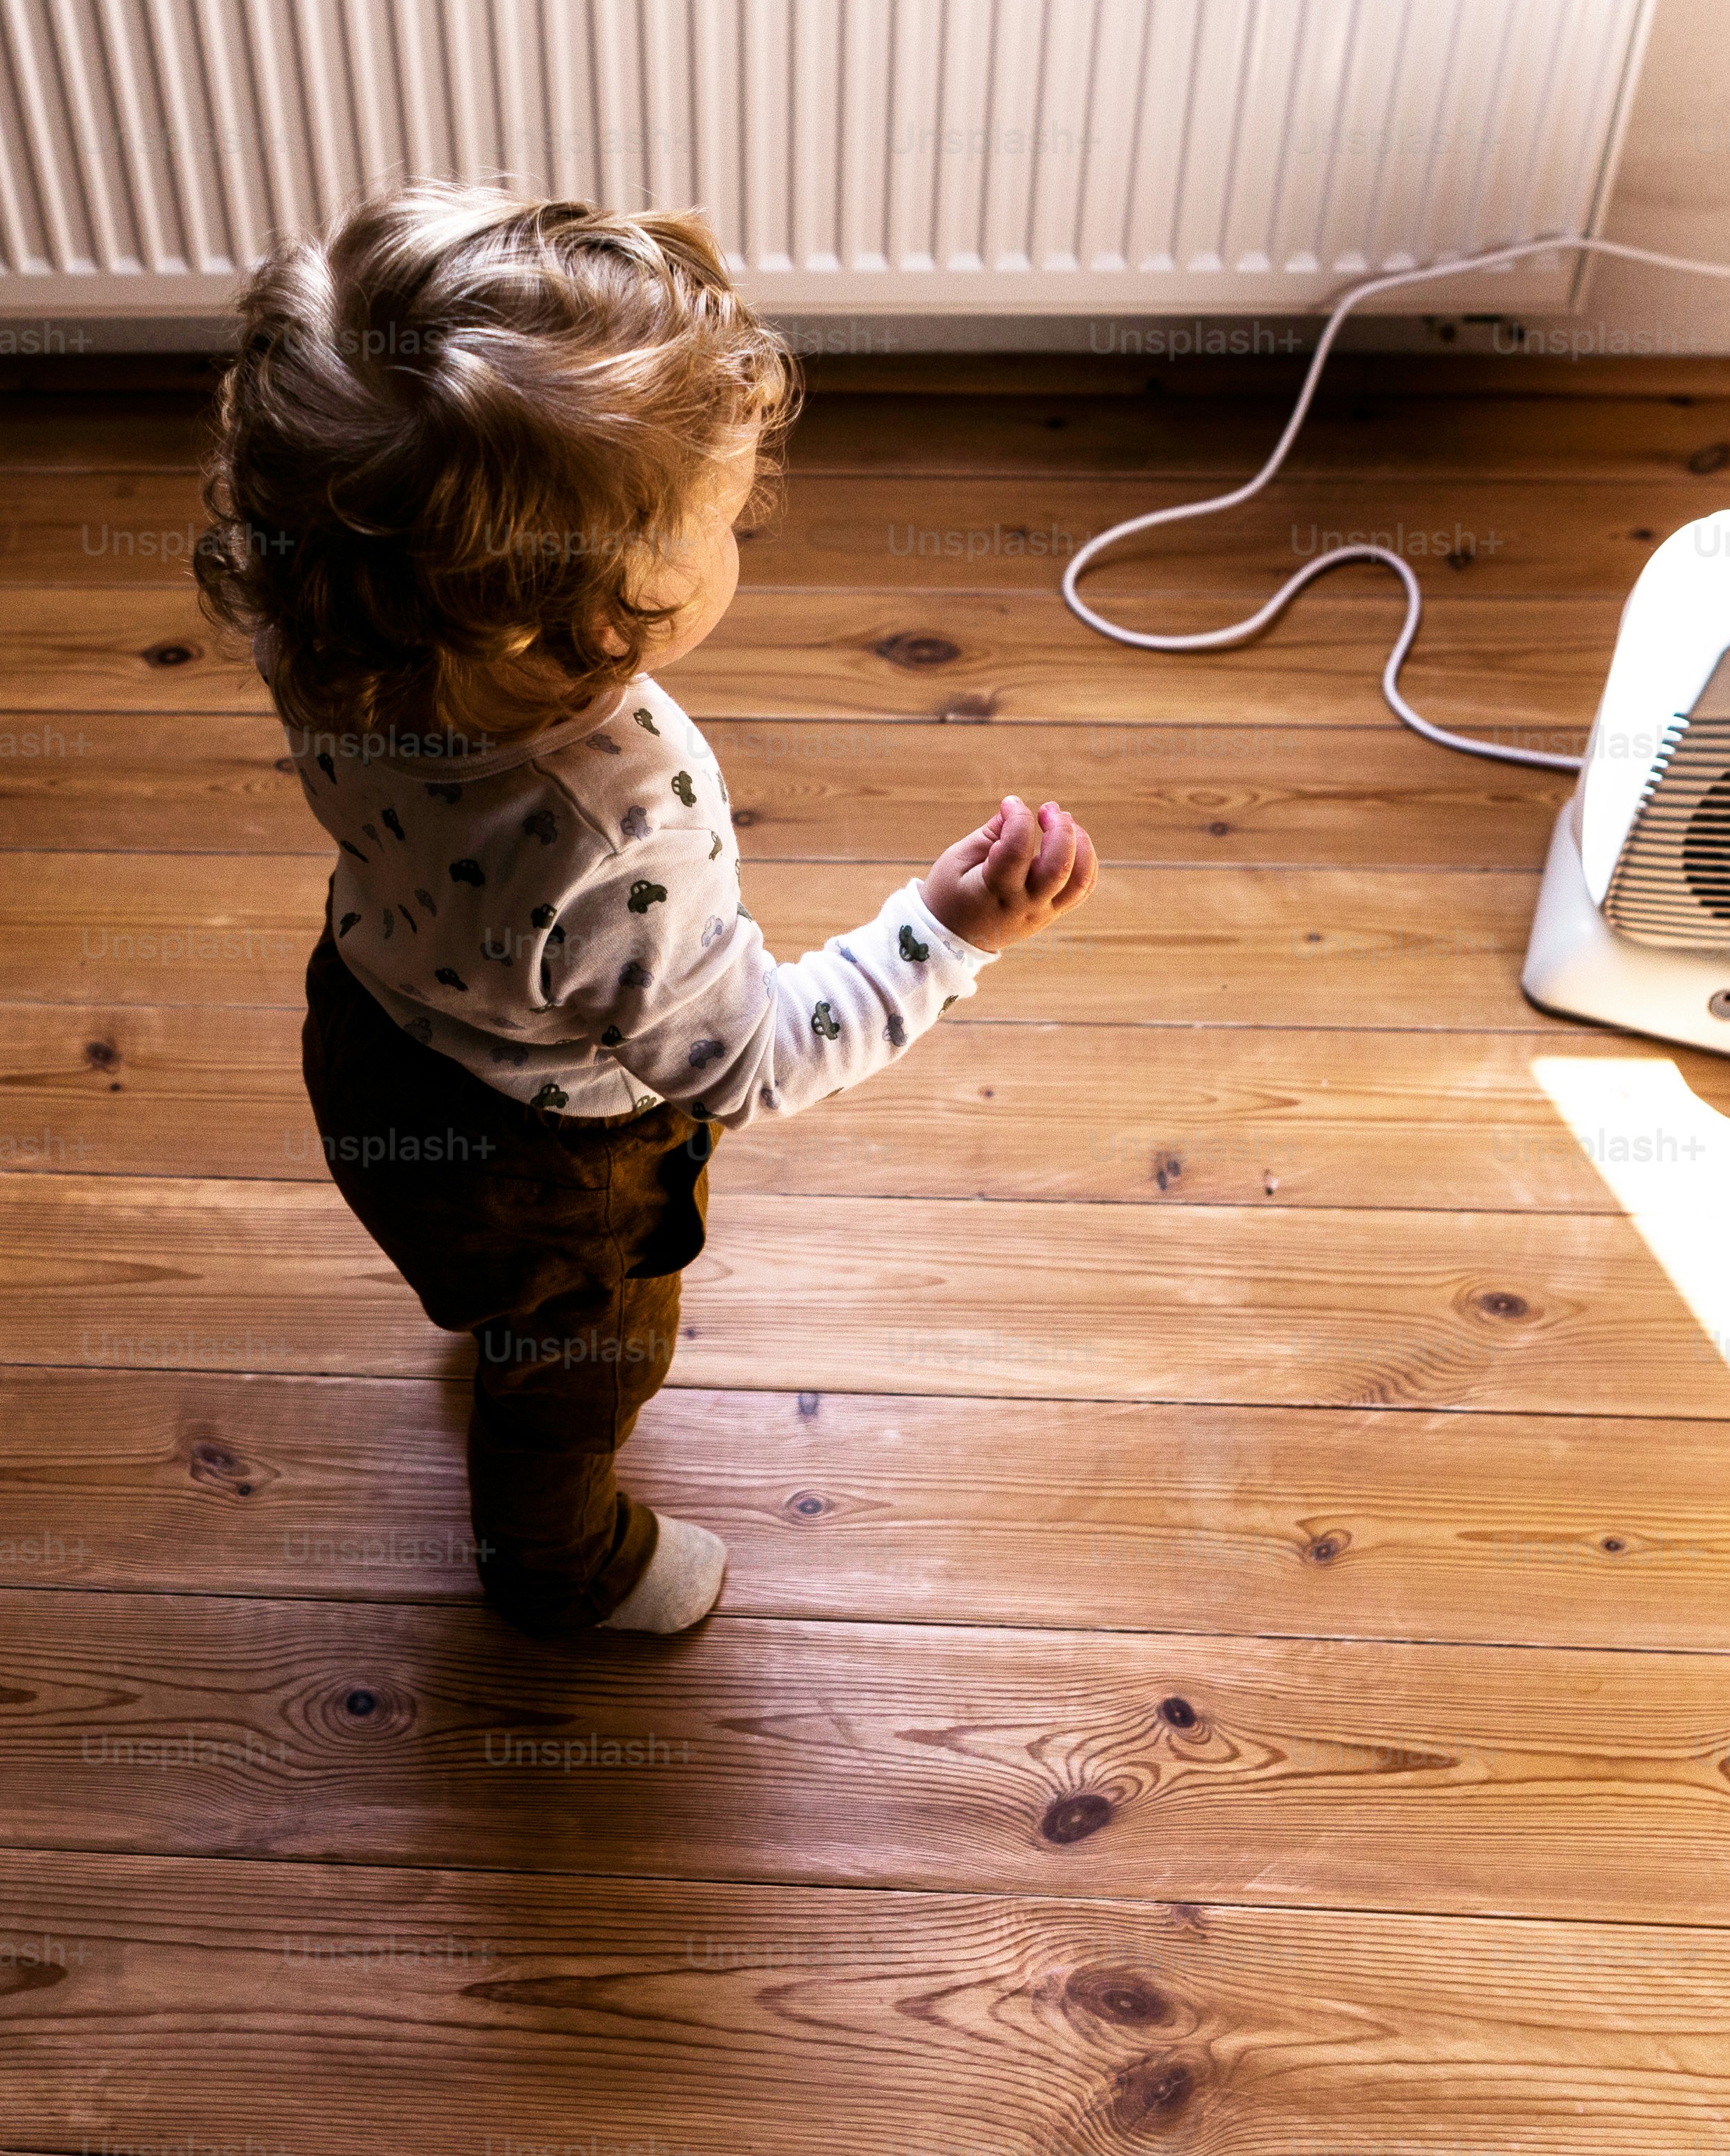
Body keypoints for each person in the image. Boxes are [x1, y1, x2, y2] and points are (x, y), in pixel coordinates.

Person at [192, 183, 1101, 1636]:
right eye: (719, 518)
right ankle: (558, 1561)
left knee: (496, 1296)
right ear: (548, 615)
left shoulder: (333, 625)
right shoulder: (622, 810)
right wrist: (941, 933)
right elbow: (749, 1060)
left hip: (368, 1037)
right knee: (576, 1372)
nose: (742, 529)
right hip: (544, 1169)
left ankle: (498, 1316)